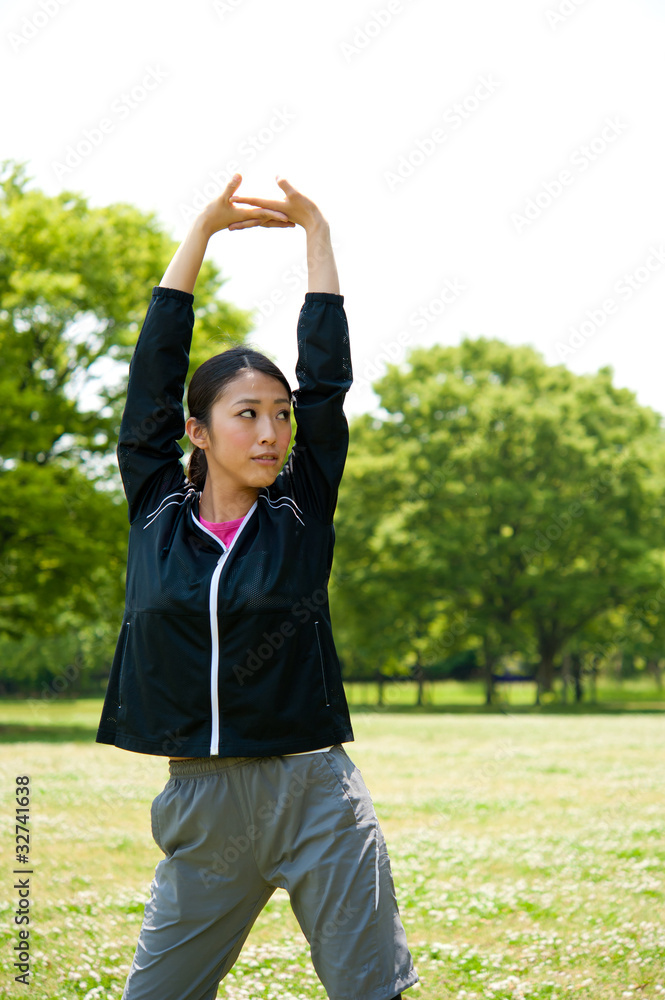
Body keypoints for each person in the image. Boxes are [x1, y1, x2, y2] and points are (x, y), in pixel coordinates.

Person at [96, 174, 418, 1000]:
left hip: (314, 791)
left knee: (369, 991)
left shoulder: (302, 506)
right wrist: (198, 234)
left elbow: (328, 384)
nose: (272, 430)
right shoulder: (157, 509)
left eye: (280, 412)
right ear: (197, 432)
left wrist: (316, 234)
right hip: (203, 803)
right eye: (247, 413)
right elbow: (150, 383)